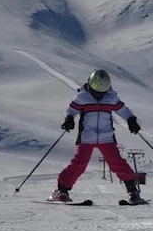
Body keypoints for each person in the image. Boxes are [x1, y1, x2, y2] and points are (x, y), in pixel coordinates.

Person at [50, 70, 144, 204]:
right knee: (79, 164)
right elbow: (71, 110)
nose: (100, 93)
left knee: (117, 163)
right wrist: (69, 119)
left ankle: (132, 190)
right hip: (87, 136)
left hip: (106, 136)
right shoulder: (82, 97)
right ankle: (62, 190)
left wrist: (131, 120)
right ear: (90, 84)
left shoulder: (111, 98)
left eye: (103, 90)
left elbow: (123, 110)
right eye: (97, 89)